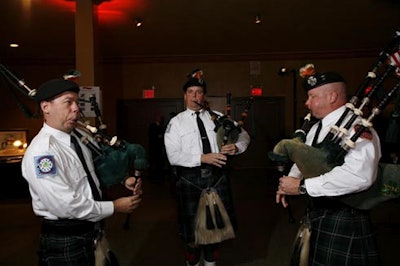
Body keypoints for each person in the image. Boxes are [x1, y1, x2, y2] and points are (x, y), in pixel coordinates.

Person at [21, 79, 143, 266]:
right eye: (68, 102)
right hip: (67, 236)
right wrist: (114, 207)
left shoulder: (78, 140)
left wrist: (123, 180)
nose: (76, 108)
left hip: (92, 230)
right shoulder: (43, 152)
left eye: (77, 103)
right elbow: (65, 205)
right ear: (46, 107)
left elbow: (93, 173)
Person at [276, 70, 381, 265]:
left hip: (344, 216)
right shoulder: (315, 128)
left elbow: (360, 176)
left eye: (312, 96)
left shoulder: (358, 128)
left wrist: (301, 186)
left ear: (332, 96)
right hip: (316, 211)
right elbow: (304, 158)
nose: (307, 103)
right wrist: (287, 183)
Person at [164, 69, 250, 266]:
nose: (195, 96)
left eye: (199, 92)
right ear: (185, 96)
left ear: (204, 96)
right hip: (190, 180)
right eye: (191, 92)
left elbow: (244, 135)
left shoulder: (218, 117)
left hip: (217, 179)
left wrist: (236, 147)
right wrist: (203, 157)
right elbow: (173, 156)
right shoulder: (176, 123)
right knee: (193, 236)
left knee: (215, 232)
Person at [147, 114, 165, 182]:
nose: (160, 119)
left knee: (159, 162)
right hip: (153, 146)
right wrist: (157, 136)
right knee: (152, 161)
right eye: (159, 118)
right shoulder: (152, 126)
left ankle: (158, 176)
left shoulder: (162, 126)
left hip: (159, 147)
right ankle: (151, 176)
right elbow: (150, 134)